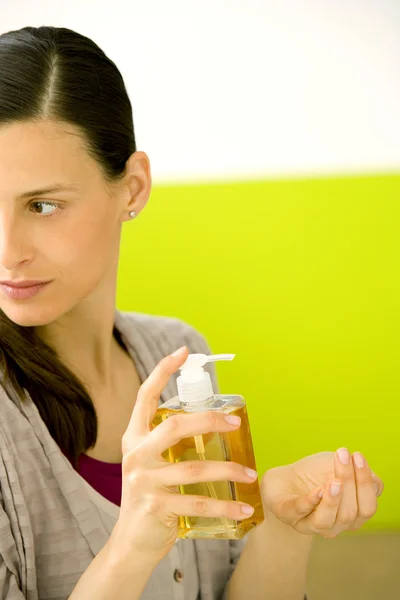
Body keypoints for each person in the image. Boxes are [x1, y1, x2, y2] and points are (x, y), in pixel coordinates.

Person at [0, 25, 383, 600]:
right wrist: (132, 544)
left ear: (132, 188)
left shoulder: (178, 356)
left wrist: (280, 525)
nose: (8, 249)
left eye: (44, 204)